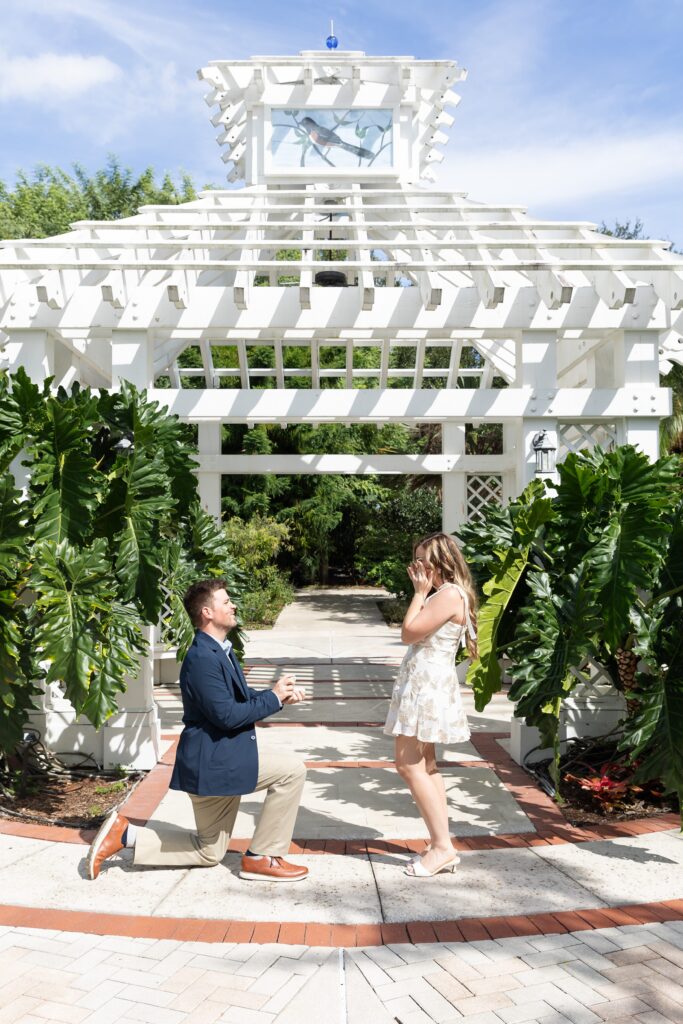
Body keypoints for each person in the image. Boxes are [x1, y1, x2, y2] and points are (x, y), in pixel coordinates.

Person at [86, 578, 309, 882]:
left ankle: (125, 835)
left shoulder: (217, 650)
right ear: (207, 612)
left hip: (216, 759)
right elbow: (227, 716)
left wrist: (274, 694)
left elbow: (234, 699)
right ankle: (262, 857)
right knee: (291, 770)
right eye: (226, 601)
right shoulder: (202, 657)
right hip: (216, 763)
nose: (233, 606)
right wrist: (273, 698)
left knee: (210, 851)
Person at [384, 532, 477, 877]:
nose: (417, 567)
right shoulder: (451, 594)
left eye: (422, 560)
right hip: (425, 684)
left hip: (425, 688)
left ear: (440, 561)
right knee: (426, 765)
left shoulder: (447, 595)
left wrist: (419, 594)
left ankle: (441, 848)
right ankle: (443, 844)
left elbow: (409, 632)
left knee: (407, 765)